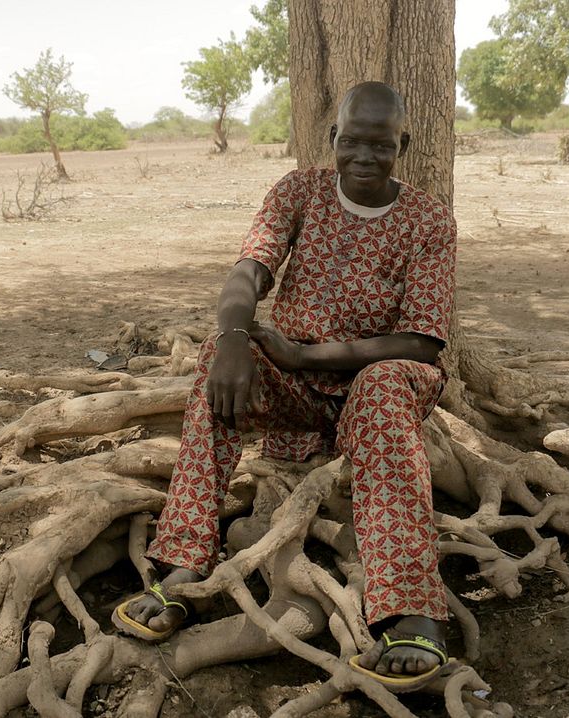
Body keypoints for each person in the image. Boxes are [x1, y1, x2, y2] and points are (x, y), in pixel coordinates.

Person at [112, 81, 457, 688]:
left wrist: (303, 355)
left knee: (379, 386)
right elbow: (249, 268)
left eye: (380, 144)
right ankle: (184, 565)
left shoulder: (428, 219)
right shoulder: (300, 191)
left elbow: (423, 341)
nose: (364, 157)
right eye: (351, 142)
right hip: (296, 392)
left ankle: (410, 611)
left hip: (376, 393)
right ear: (332, 139)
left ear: (402, 143)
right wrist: (234, 339)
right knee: (216, 361)